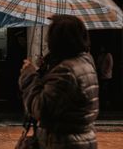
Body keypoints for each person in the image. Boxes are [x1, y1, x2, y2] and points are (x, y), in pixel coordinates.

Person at [19, 15, 99, 148]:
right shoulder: (85, 62)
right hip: (80, 140)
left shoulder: (66, 71)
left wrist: (29, 76)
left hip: (64, 143)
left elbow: (41, 109)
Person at [96, 45, 113, 110]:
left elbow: (110, 64)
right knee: (102, 89)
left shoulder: (108, 55)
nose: (101, 49)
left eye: (102, 48)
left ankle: (107, 103)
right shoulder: (100, 56)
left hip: (107, 75)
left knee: (106, 89)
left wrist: (106, 71)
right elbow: (98, 64)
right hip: (100, 74)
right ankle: (103, 103)